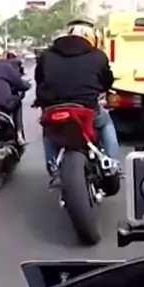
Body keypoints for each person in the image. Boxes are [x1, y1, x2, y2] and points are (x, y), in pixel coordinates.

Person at [34, 22, 121, 175]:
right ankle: (112, 163)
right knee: (105, 122)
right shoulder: (98, 55)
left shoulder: (46, 55)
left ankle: (52, 164)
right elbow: (107, 80)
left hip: (53, 108)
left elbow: (39, 79)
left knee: (49, 129)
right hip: (87, 108)